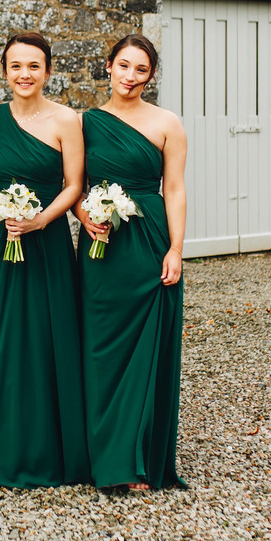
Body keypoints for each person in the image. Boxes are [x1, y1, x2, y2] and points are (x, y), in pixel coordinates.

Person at [0, 31, 91, 488]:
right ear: (4, 70)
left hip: (46, 239)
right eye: (16, 66)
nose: (24, 75)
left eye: (34, 66)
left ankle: (47, 450)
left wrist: (40, 222)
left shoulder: (67, 120)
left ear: (48, 71)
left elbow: (75, 184)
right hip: (2, 240)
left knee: (44, 337)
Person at [74, 34, 189, 491]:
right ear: (108, 66)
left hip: (149, 240)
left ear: (151, 75)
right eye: (124, 66)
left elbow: (175, 188)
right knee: (101, 345)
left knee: (146, 349)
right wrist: (85, 217)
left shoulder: (167, 123)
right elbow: (75, 184)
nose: (131, 77)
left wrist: (176, 248)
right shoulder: (85, 123)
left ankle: (136, 458)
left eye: (141, 70)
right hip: (102, 242)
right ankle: (100, 452)